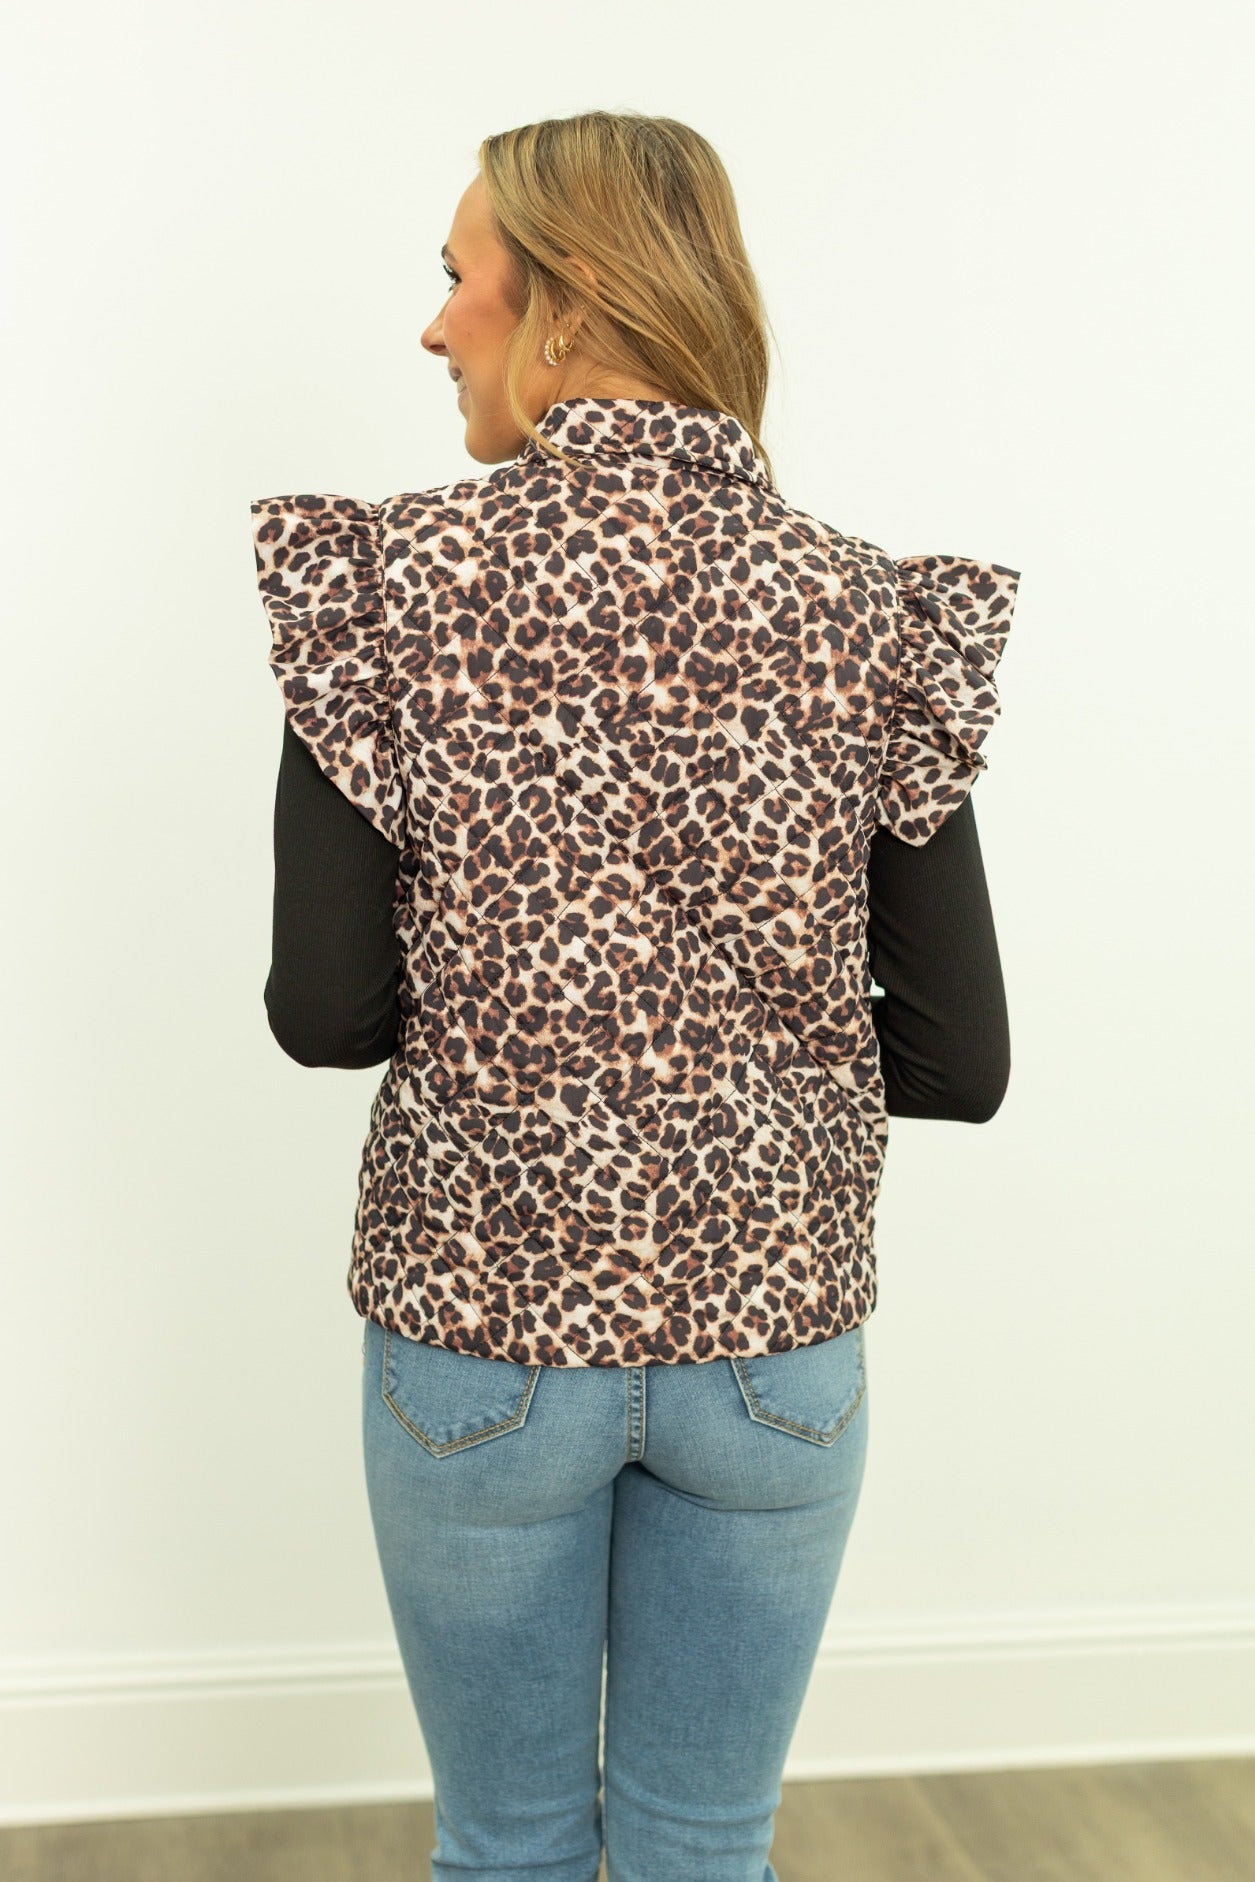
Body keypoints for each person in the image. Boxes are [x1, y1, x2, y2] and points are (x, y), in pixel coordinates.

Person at [253, 110, 1018, 1882]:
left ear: (571, 301)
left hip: (480, 1336)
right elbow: (962, 1055)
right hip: (776, 1347)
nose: (434, 323)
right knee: (706, 1847)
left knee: (508, 1847)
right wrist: (751, 1073)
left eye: (459, 276)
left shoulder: (388, 589)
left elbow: (326, 1010)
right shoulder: (863, 613)